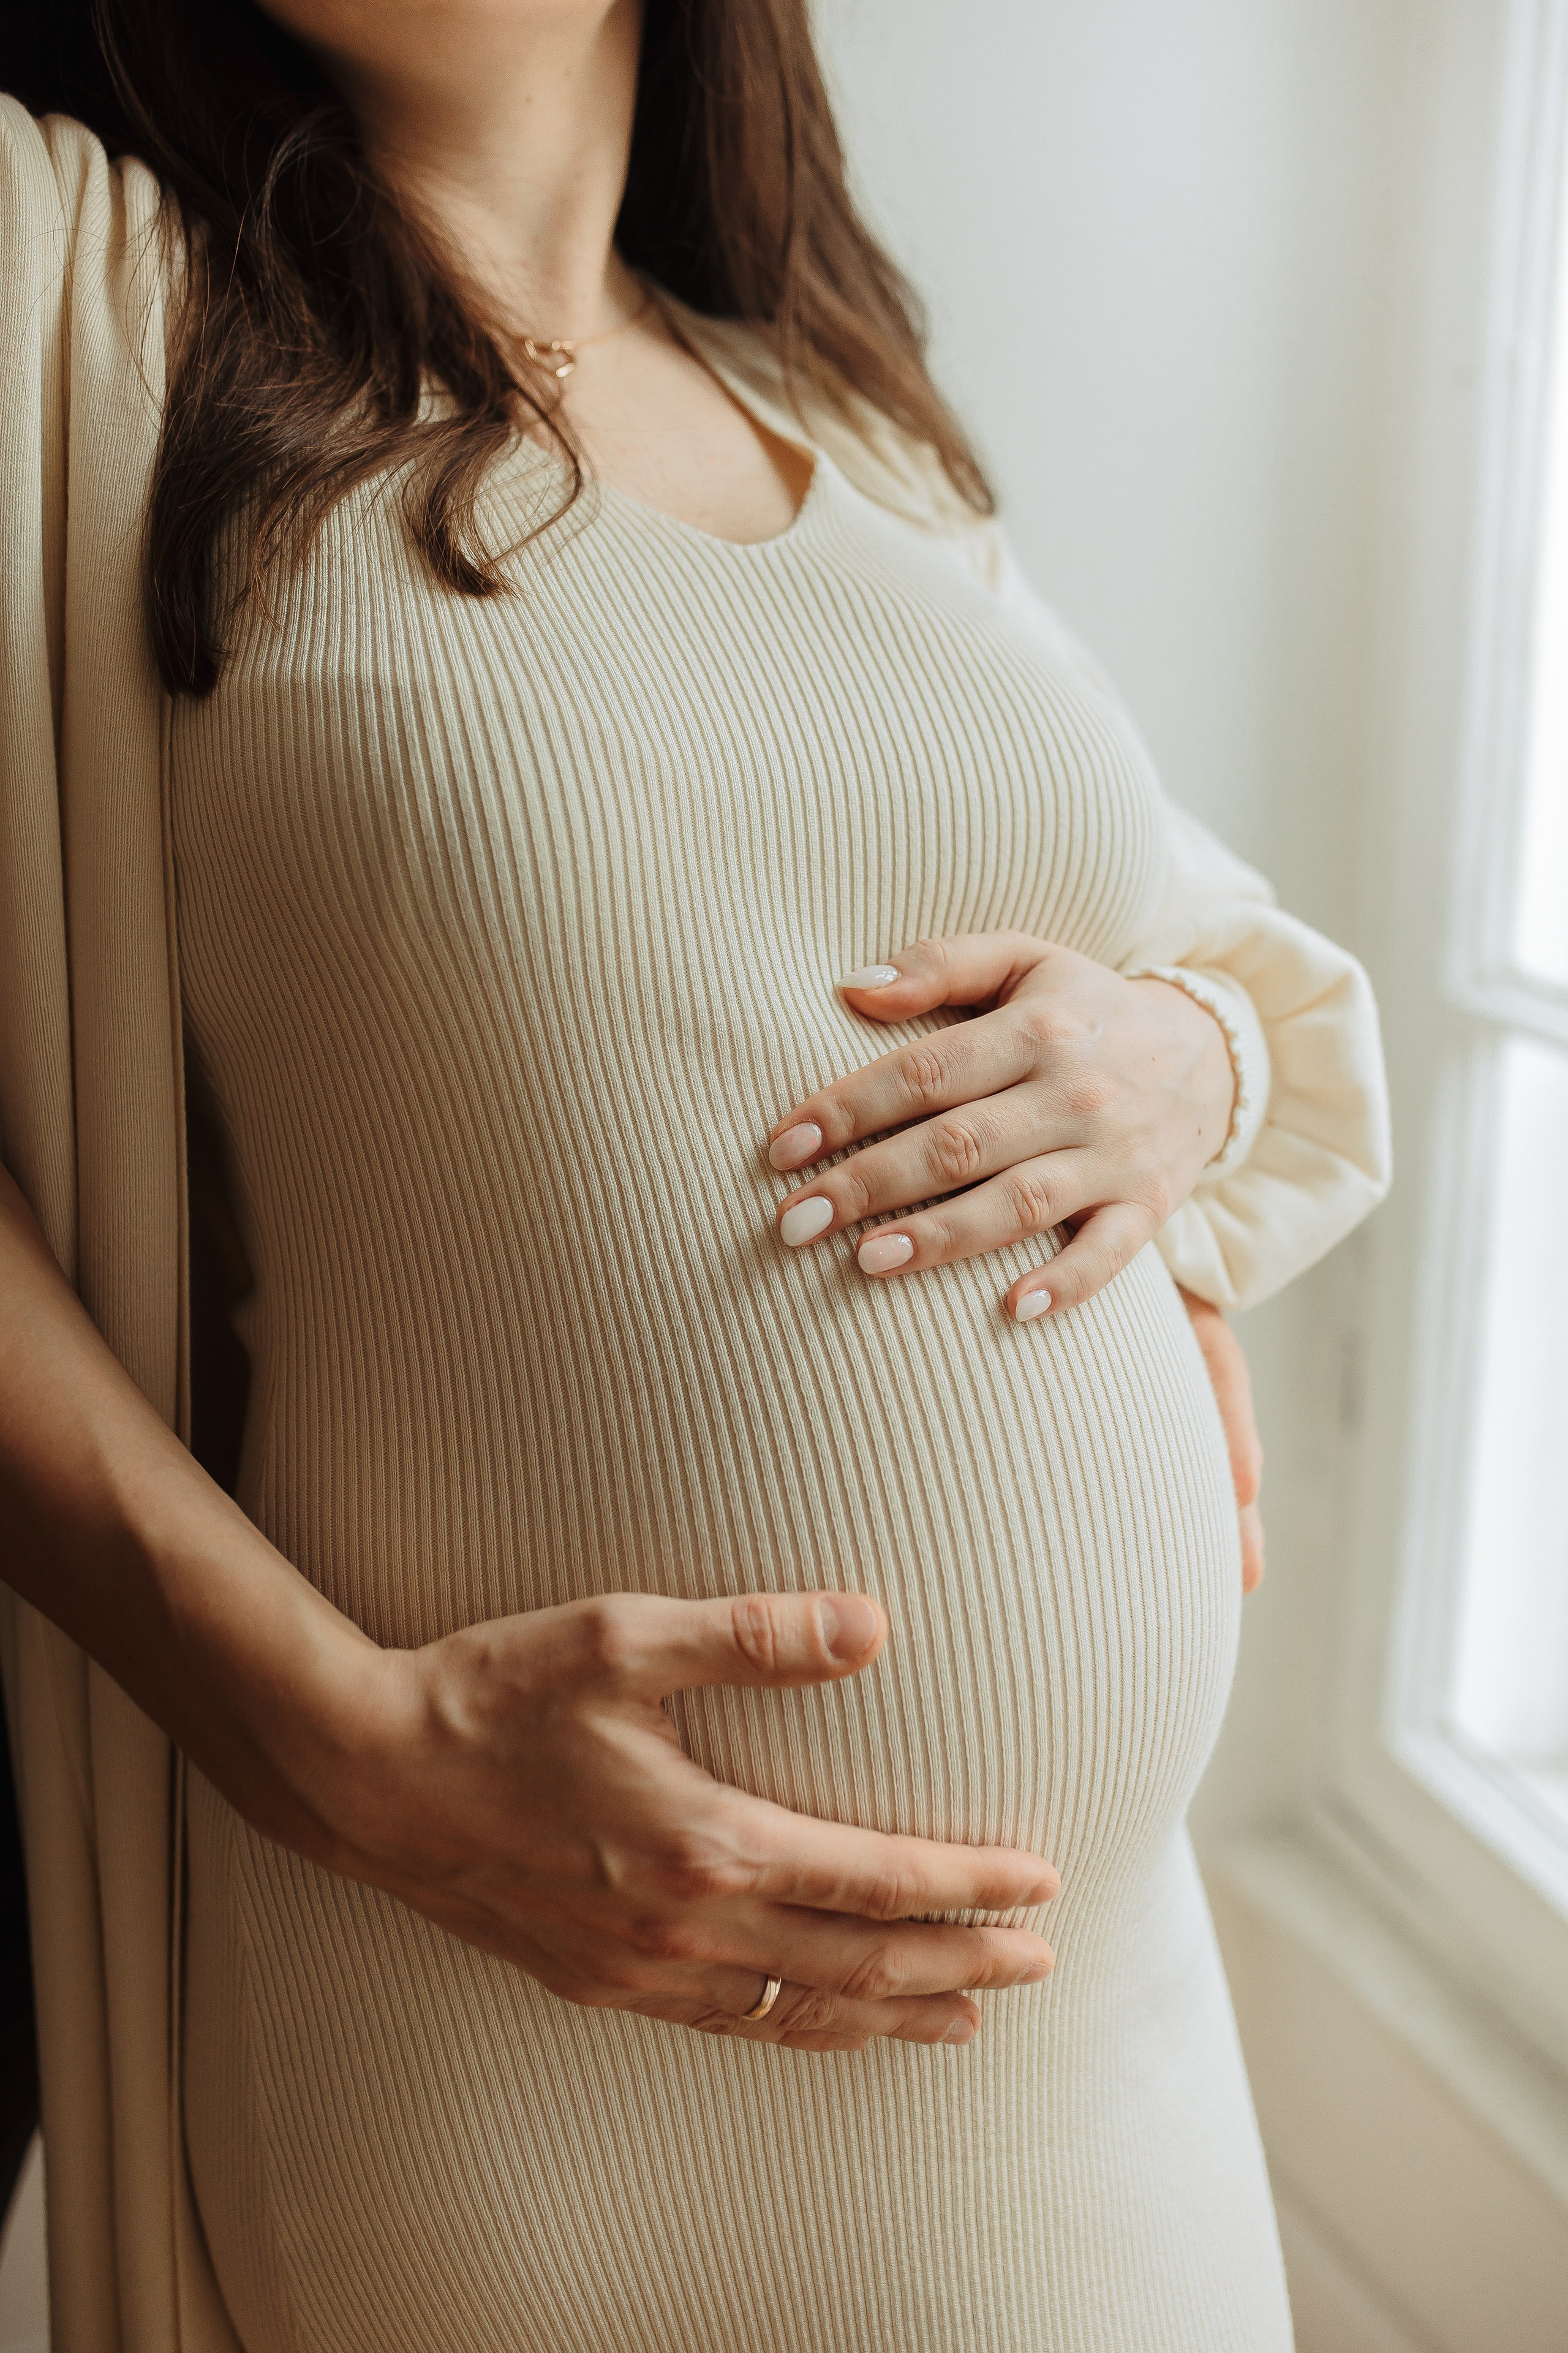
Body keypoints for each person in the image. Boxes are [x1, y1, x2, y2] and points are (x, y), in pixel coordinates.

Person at [0, 3, 1390, 2347]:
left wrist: (1190, 1060)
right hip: (507, 2021)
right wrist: (333, 1745)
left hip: (1090, 2047)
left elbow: (1223, 961)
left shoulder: (854, 424)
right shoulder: (76, 290)